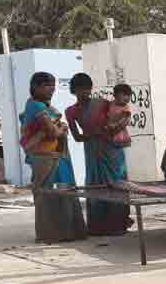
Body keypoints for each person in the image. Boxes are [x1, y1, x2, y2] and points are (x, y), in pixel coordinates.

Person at [20, 72, 87, 243]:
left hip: (55, 156)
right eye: (47, 86)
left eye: (53, 86)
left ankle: (66, 232)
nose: (52, 90)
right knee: (50, 195)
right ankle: (53, 233)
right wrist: (61, 129)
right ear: (35, 86)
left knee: (60, 193)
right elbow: (53, 131)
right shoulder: (36, 107)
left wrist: (59, 128)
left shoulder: (42, 106)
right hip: (46, 158)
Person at [65, 74, 131, 236]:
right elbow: (77, 137)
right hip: (92, 150)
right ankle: (98, 226)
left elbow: (122, 117)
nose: (85, 92)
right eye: (81, 89)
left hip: (112, 150)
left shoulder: (103, 104)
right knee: (96, 185)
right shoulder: (71, 111)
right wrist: (93, 135)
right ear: (74, 90)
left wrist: (111, 130)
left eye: (88, 88)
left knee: (117, 183)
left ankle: (119, 224)